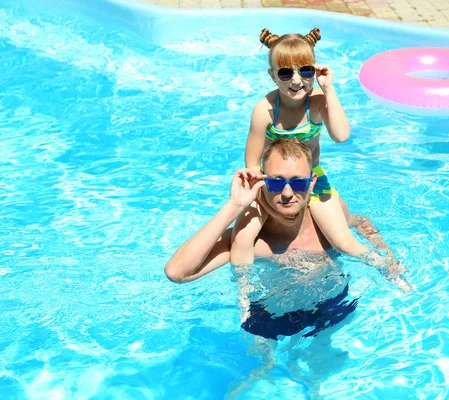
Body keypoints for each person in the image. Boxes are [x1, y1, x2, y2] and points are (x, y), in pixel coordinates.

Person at [164, 139, 412, 338]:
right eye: (275, 182)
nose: (286, 193)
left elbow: (362, 222)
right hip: (270, 314)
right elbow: (177, 273)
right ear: (262, 181)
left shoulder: (329, 221)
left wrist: (388, 258)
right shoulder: (253, 240)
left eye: (298, 182)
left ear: (312, 182)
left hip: (332, 304)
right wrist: (233, 206)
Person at [230, 27, 370, 267]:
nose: (296, 80)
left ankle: (391, 268)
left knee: (345, 244)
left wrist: (328, 88)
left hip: (311, 180)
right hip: (271, 184)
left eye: (305, 71)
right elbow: (252, 162)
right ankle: (244, 295)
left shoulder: (316, 102)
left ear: (315, 70)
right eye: (285, 73)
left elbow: (341, 135)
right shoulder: (265, 110)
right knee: (242, 239)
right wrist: (260, 193)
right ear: (272, 75)